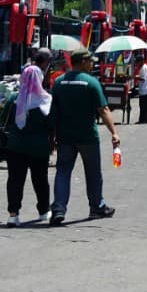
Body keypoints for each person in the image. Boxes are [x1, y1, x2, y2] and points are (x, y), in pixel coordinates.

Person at [49, 48, 120, 225]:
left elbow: (53, 114)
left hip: (65, 137)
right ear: (81, 62)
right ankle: (97, 207)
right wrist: (114, 132)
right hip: (88, 136)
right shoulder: (91, 83)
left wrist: (52, 137)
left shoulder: (58, 83)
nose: (92, 64)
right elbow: (103, 110)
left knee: (63, 172)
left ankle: (58, 208)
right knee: (93, 173)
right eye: (90, 61)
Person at [5, 48, 53, 227]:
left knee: (15, 180)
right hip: (39, 148)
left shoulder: (15, 100)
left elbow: (4, 120)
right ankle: (43, 211)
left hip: (15, 147)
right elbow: (52, 125)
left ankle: (13, 214)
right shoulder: (46, 102)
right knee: (40, 180)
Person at [135, 51, 147, 124]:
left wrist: (135, 77)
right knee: (146, 106)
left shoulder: (143, 68)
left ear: (141, 61)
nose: (136, 64)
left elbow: (143, 78)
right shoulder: (145, 66)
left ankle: (142, 120)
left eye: (137, 62)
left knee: (143, 106)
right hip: (146, 89)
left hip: (144, 90)